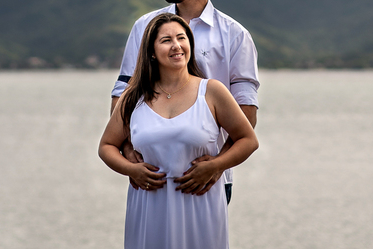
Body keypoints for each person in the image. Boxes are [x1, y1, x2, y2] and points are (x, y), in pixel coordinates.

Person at [110, 0, 260, 203]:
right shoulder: (144, 26)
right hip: (150, 177)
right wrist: (128, 152)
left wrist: (218, 165)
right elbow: (124, 93)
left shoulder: (235, 36)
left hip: (207, 182)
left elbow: (246, 111)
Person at [99, 13, 258, 249]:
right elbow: (106, 146)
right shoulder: (133, 97)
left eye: (181, 38)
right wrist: (130, 169)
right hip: (148, 207)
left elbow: (248, 140)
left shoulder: (212, 91)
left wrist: (216, 166)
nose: (176, 45)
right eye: (166, 40)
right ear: (152, 52)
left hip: (201, 205)